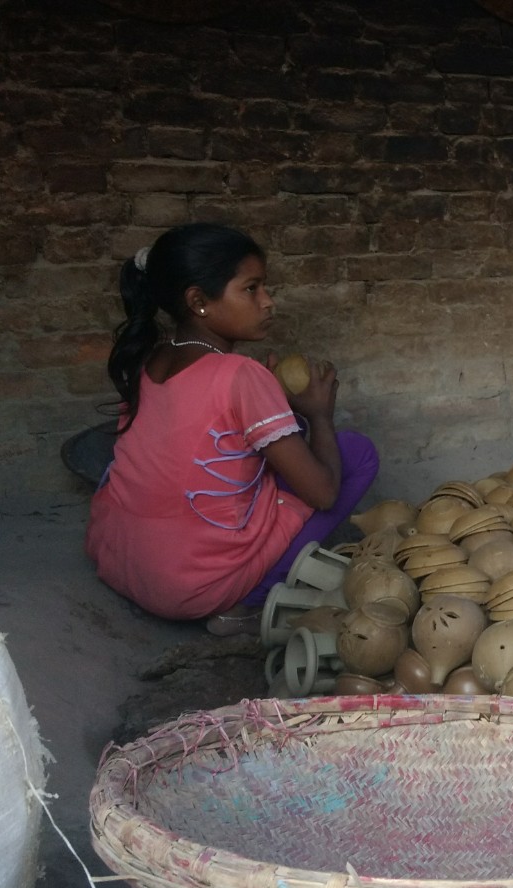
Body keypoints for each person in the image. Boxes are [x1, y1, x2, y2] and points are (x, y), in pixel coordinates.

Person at [85, 223, 380, 636]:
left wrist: (277, 407)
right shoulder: (240, 374)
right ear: (199, 301)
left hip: (122, 563)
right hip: (194, 589)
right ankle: (246, 602)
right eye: (251, 289)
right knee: (356, 452)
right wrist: (319, 417)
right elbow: (323, 493)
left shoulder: (149, 359)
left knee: (273, 447)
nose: (268, 302)